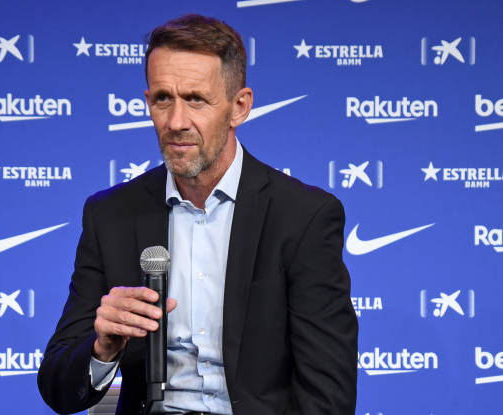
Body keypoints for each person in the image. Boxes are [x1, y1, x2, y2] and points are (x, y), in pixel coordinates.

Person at [38, 14, 358, 415]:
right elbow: (57, 390)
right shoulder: (111, 215)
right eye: (162, 99)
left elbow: (328, 394)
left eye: (195, 100)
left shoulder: (303, 216)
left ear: (239, 107)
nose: (175, 122)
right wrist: (102, 348)